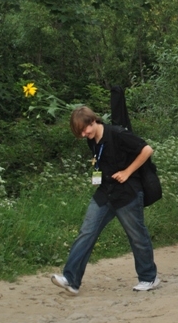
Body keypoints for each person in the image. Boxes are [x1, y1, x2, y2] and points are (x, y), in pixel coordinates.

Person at [51, 106, 159, 295]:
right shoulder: (92, 141)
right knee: (86, 232)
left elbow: (147, 150)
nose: (84, 134)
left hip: (127, 194)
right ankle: (71, 279)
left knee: (137, 236)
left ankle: (149, 277)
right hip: (105, 193)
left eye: (85, 129)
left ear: (93, 121)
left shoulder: (117, 134)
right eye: (80, 132)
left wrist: (127, 172)